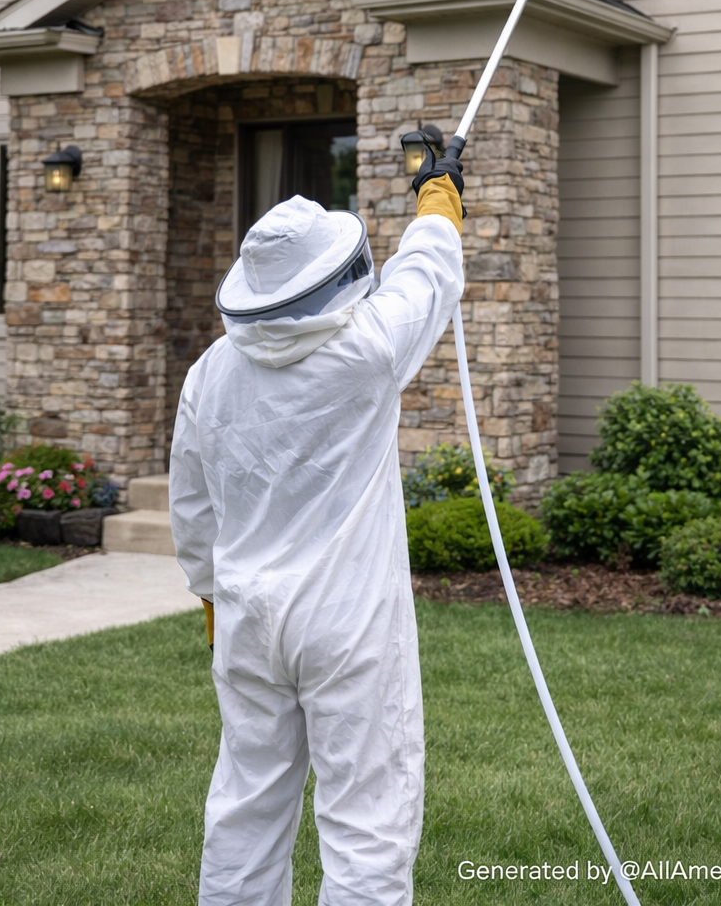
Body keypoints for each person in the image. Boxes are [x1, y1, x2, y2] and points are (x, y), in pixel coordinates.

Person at [169, 152, 464, 906]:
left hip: (244, 618)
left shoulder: (209, 372)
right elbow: (425, 279)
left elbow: (192, 507)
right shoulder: (364, 353)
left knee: (246, 804)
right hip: (348, 625)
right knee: (367, 817)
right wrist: (438, 200)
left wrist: (209, 595)